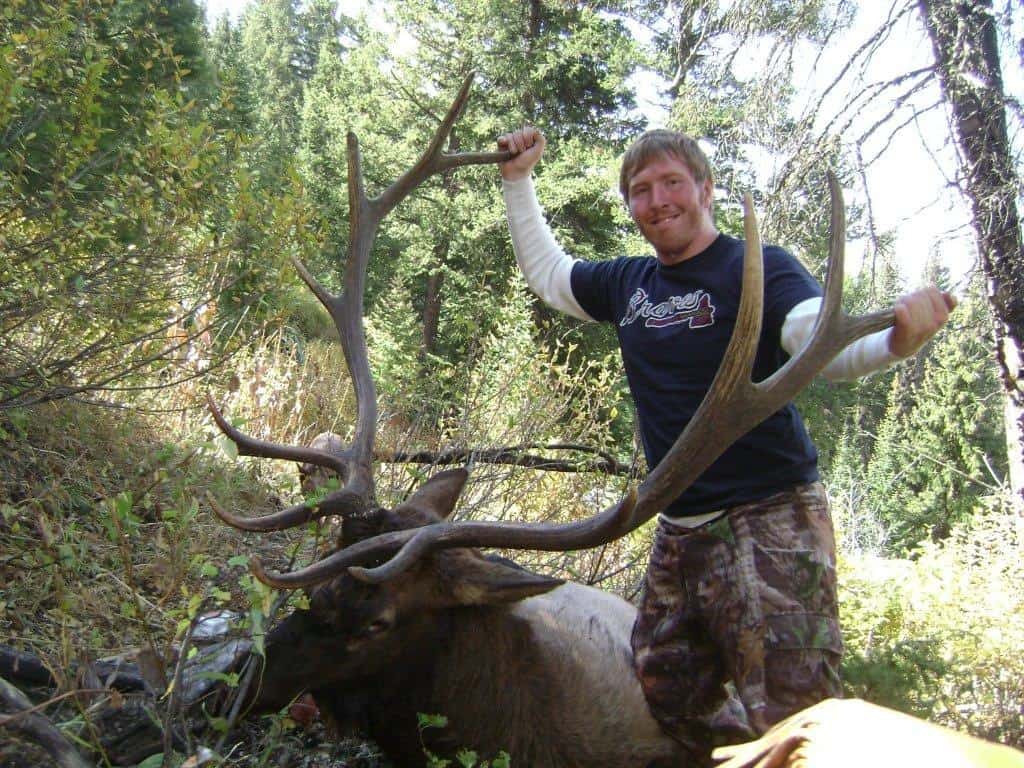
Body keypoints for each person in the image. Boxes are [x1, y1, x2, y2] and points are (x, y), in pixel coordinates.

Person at [496, 126, 955, 763]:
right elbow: (549, 274)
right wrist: (518, 182)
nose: (657, 200)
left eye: (672, 183)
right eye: (641, 190)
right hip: (681, 526)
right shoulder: (630, 283)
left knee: (801, 721)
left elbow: (815, 336)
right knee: (665, 683)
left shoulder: (756, 268)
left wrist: (893, 341)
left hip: (769, 518)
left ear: (706, 190)